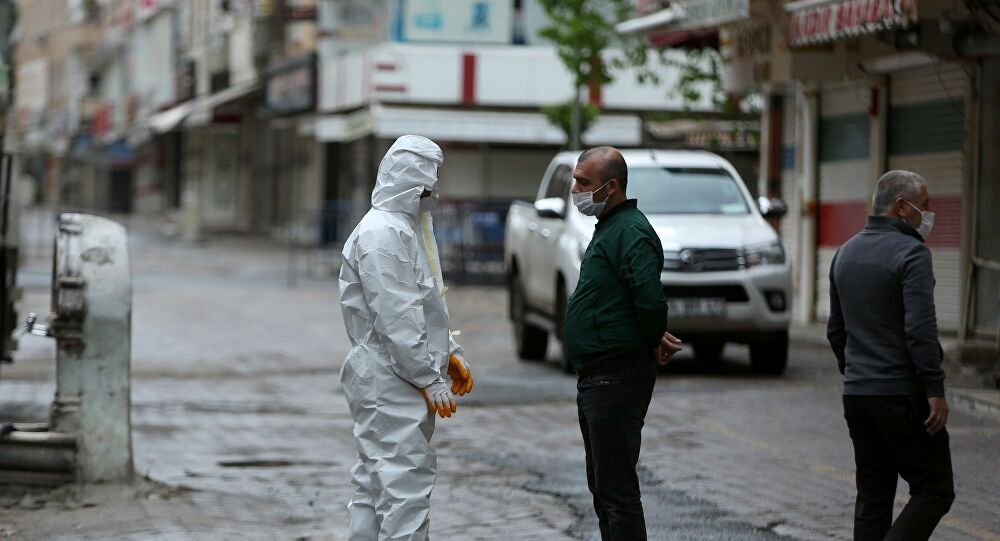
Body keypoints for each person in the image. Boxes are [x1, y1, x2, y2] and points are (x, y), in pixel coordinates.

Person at [338, 135, 474, 541]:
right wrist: (427, 374)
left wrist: (448, 351)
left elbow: (423, 303)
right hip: (391, 378)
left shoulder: (398, 228)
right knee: (403, 489)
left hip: (389, 376)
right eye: (431, 183)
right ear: (416, 183)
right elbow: (397, 315)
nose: (435, 193)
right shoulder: (385, 235)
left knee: (376, 484)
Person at [828, 170, 955, 541]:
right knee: (934, 489)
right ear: (902, 207)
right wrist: (934, 387)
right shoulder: (912, 253)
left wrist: (856, 372)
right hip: (902, 396)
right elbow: (920, 331)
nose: (929, 214)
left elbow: (836, 330)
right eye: (926, 205)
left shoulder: (845, 252)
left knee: (873, 496)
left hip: (858, 395)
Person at [564, 146, 683, 540]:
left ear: (610, 187)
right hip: (599, 375)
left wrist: (650, 337)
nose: (574, 189)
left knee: (617, 491)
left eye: (584, 182)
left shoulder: (630, 230)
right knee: (603, 486)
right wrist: (647, 335)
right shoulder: (612, 227)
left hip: (616, 377)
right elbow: (623, 297)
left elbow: (649, 298)